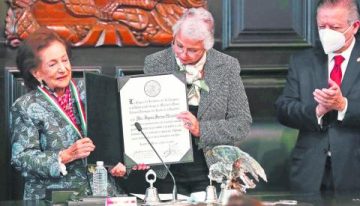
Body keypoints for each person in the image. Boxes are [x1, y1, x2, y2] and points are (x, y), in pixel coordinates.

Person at [10, 28, 137, 200]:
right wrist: (65, 155)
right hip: (55, 197)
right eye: (53, 64)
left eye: (65, 60)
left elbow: (114, 138)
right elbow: (21, 158)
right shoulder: (25, 106)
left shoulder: (92, 92)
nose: (62, 68)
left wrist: (118, 162)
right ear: (36, 72)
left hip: (103, 192)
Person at [143, 8, 252, 194]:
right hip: (165, 170)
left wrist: (201, 129)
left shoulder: (227, 66)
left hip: (212, 170)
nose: (183, 54)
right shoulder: (154, 63)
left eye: (192, 50)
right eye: (178, 45)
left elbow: (241, 124)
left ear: (207, 46)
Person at [275, 0, 360, 193]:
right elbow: (283, 108)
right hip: (309, 173)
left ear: (354, 27)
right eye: (322, 26)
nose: (327, 32)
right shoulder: (303, 61)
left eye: (335, 27)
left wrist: (343, 105)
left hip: (354, 171)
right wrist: (316, 111)